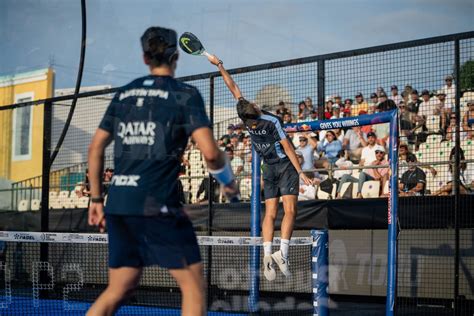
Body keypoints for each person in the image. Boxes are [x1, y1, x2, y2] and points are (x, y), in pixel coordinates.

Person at [86, 27, 239, 316]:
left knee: (119, 289)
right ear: (176, 56)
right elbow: (209, 152)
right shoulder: (185, 95)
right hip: (157, 205)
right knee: (193, 289)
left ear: (145, 58)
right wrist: (227, 181)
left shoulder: (125, 93)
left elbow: (95, 149)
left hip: (118, 204)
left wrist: (96, 200)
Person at [207, 53, 311, 281]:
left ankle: (266, 254)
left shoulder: (245, 118)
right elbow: (289, 149)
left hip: (267, 168)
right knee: (290, 210)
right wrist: (301, 172)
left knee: (270, 213)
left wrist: (220, 65)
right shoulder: (271, 121)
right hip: (284, 166)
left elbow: (232, 87)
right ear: (254, 108)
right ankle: (282, 254)